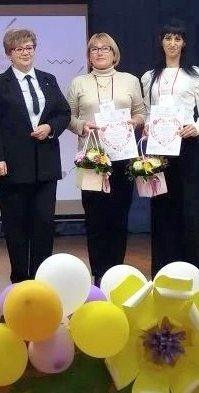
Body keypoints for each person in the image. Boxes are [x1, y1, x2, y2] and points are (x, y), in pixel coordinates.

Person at [0, 29, 70, 283]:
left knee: (44, 224)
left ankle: (42, 279)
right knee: (16, 227)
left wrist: (50, 127)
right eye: (19, 49)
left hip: (45, 165)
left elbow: (63, 113)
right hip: (11, 166)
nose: (25, 52)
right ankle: (20, 281)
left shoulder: (48, 79)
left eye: (29, 47)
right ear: (9, 54)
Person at [66, 33, 145, 286]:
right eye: (94, 49)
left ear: (114, 54)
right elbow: (67, 117)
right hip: (92, 159)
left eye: (105, 48)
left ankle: (115, 272)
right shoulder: (79, 82)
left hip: (123, 157)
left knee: (119, 217)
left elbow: (141, 112)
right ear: (89, 56)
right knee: (95, 218)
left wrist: (135, 122)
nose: (99, 52)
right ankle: (99, 274)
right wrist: (82, 126)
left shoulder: (130, 80)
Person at [141, 19, 199, 277]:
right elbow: (148, 111)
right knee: (161, 209)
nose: (172, 43)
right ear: (161, 42)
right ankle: (162, 272)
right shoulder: (150, 77)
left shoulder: (195, 76)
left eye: (177, 39)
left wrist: (197, 127)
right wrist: (147, 126)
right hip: (159, 148)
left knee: (188, 208)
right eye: (168, 38)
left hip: (186, 146)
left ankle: (193, 273)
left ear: (184, 43)